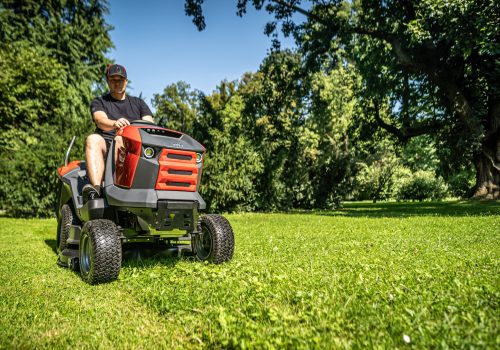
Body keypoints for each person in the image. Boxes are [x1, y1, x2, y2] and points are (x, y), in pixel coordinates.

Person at [83, 64, 154, 201]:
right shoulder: (100, 102)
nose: (117, 83)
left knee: (122, 140)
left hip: (134, 148)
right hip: (107, 144)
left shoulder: (138, 103)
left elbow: (149, 123)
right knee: (93, 139)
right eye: (113, 80)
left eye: (120, 80)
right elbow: (100, 119)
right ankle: (98, 189)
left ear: (126, 82)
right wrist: (115, 124)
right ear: (108, 82)